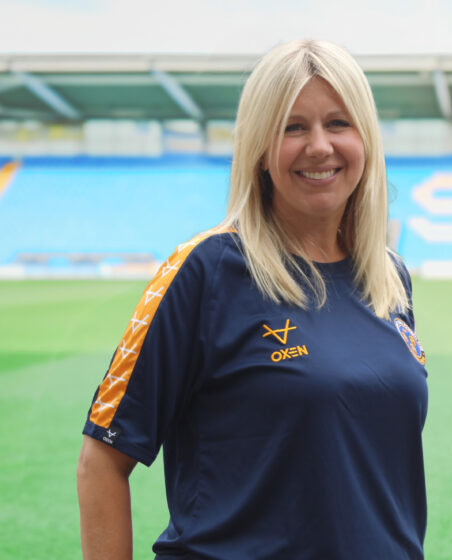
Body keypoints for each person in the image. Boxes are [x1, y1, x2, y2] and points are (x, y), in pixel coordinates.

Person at [76, 39, 429, 559]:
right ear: (260, 149)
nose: (319, 146)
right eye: (292, 127)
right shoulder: (206, 271)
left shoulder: (389, 277)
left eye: (338, 123)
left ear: (366, 140)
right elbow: (103, 460)